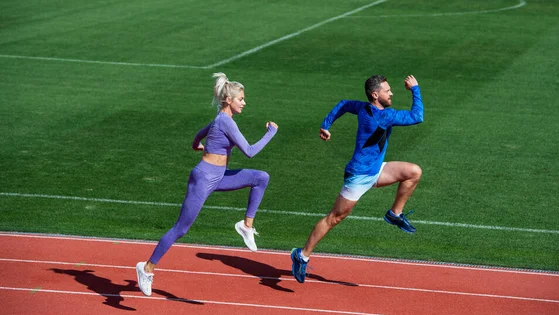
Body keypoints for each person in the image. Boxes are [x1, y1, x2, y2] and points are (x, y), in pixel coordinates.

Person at [136, 72, 278, 296]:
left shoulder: (220, 120)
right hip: (203, 178)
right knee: (181, 228)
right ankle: (146, 268)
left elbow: (200, 133)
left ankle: (246, 226)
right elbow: (249, 152)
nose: (244, 102)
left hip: (219, 176)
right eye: (241, 99)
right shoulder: (226, 121)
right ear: (229, 100)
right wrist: (271, 133)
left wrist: (196, 145)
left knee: (261, 177)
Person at [291, 74, 424, 283]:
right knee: (334, 218)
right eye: (387, 90)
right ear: (375, 94)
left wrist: (326, 125)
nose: (391, 93)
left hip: (375, 170)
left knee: (414, 172)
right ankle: (301, 255)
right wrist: (415, 89)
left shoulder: (362, 108)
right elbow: (417, 116)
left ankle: (394, 213)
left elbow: (344, 104)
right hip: (359, 176)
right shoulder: (384, 116)